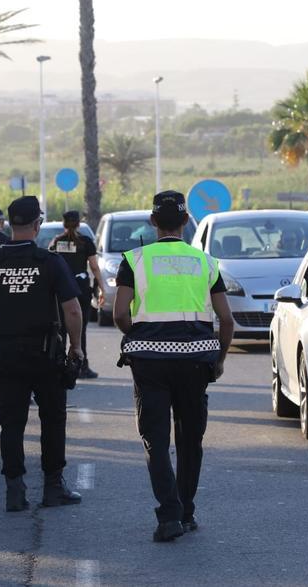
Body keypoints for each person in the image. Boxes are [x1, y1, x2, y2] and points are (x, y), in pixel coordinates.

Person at [113, 190, 235, 543]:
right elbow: (226, 320)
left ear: (152, 222)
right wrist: (220, 358)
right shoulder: (205, 263)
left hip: (149, 363)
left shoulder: (134, 261)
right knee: (190, 438)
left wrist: (138, 335)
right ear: (185, 221)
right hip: (196, 361)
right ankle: (187, 510)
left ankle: (169, 516)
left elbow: (120, 313)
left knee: (155, 438)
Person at [0, 196, 85, 513]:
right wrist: (75, 347)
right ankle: (53, 487)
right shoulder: (49, 262)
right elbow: (73, 310)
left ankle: (15, 490)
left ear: (10, 225)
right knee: (52, 419)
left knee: (12, 423)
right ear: (37, 225)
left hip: (7, 352)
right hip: (46, 353)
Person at [48, 210, 105, 379]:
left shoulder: (56, 242)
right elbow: (94, 267)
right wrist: (101, 287)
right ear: (79, 224)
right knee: (80, 329)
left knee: (61, 330)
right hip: (80, 289)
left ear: (64, 224)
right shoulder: (85, 242)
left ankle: (59, 365)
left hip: (60, 291)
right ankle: (81, 366)